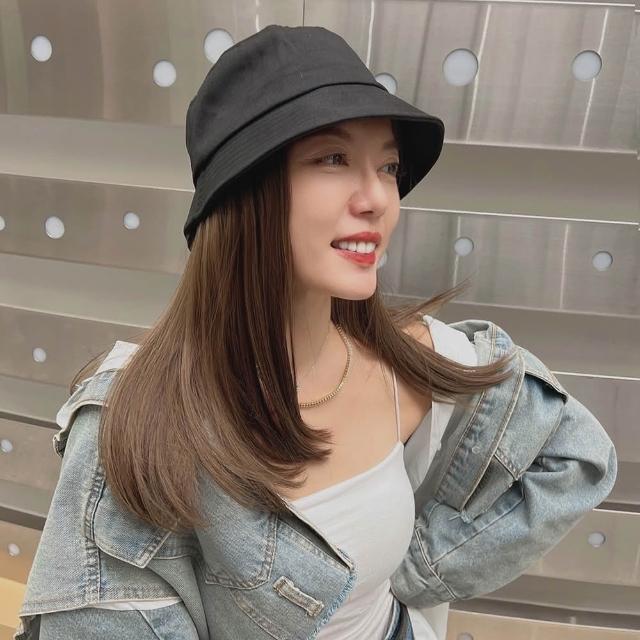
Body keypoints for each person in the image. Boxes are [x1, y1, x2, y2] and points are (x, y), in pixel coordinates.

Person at [15, 25, 617, 640]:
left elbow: (578, 455)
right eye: (333, 159)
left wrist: (416, 572)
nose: (378, 198)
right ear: (245, 192)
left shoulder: (409, 360)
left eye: (388, 165)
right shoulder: (139, 426)